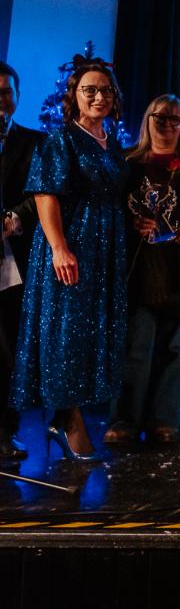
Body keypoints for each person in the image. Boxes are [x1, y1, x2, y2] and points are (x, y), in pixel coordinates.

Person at [11, 57, 128, 460]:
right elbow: (45, 195)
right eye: (89, 90)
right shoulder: (61, 140)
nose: (98, 97)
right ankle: (68, 419)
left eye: (105, 90)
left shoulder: (112, 142)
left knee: (89, 333)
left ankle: (66, 416)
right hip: (72, 246)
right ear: (74, 95)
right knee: (66, 333)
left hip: (103, 251)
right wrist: (60, 247)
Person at [106, 95, 180, 444]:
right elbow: (110, 212)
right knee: (136, 348)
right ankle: (124, 419)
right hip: (140, 269)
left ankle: (163, 419)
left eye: (174, 119)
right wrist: (131, 223)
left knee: (175, 349)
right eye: (159, 117)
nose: (166, 124)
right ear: (147, 120)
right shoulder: (127, 163)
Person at [0, 62, 42, 460]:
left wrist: (13, 218)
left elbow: (43, 195)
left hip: (12, 262)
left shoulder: (34, 143)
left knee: (7, 350)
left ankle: (4, 431)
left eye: (4, 92)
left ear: (17, 96)